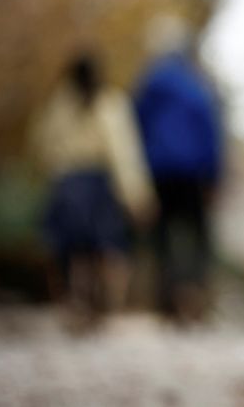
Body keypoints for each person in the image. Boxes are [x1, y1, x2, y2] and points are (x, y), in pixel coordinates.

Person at [32, 50, 155, 326]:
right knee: (109, 247)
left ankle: (75, 302)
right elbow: (123, 153)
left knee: (70, 249)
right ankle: (107, 306)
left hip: (67, 182)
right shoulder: (111, 104)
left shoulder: (59, 105)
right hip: (100, 182)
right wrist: (136, 194)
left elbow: (42, 145)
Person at [134, 34, 223, 321]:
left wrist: (139, 171)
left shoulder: (147, 85)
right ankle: (194, 291)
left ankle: (167, 297)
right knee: (197, 234)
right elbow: (210, 131)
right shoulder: (197, 85)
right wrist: (214, 175)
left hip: (157, 171)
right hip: (193, 173)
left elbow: (135, 127)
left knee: (162, 235)